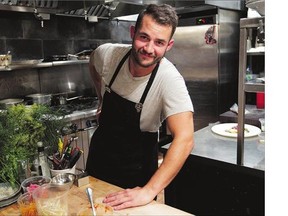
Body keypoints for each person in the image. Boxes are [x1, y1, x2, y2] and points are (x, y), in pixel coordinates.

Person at [86, 4, 194, 210]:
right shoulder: (109, 55)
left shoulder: (169, 79)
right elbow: (93, 61)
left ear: (169, 45)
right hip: (100, 158)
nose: (149, 49)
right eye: (144, 37)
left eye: (159, 42)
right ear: (132, 32)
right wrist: (101, 98)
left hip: (135, 172)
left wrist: (149, 191)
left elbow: (185, 139)